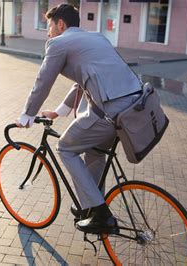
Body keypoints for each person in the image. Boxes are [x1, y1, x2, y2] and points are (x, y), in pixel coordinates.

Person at [16, 4, 142, 234]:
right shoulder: (97, 37)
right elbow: (82, 83)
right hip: (133, 108)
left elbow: (43, 81)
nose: (48, 32)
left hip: (109, 113)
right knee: (93, 152)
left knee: (65, 148)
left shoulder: (58, 43)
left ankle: (100, 212)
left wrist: (28, 115)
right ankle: (91, 207)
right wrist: (57, 112)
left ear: (60, 24)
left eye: (49, 26)